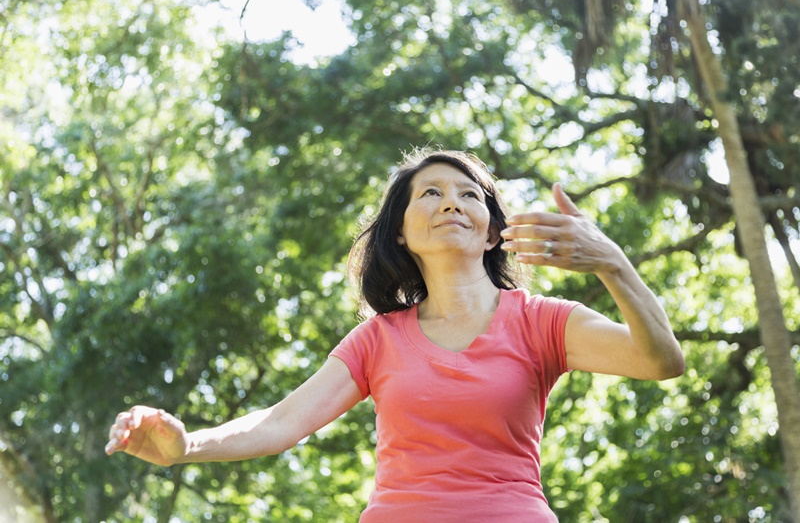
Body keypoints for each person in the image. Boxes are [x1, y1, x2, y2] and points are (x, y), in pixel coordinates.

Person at [106, 148, 684, 522]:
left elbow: (660, 361)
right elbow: (281, 422)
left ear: (491, 233)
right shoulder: (377, 340)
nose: (451, 201)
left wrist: (614, 264)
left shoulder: (543, 321)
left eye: (469, 194)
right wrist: (188, 446)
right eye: (430, 193)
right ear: (402, 233)